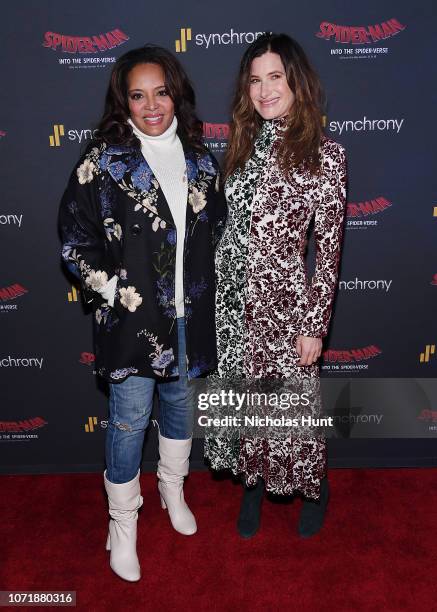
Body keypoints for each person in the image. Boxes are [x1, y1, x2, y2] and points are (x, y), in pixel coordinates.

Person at [59, 45, 226, 581]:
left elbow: (218, 235)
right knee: (129, 424)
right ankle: (122, 523)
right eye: (137, 95)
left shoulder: (202, 159)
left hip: (190, 317)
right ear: (122, 101)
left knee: (180, 410)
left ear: (176, 92)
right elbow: (74, 241)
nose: (151, 105)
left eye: (160, 91)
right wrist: (116, 293)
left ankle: (172, 492)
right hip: (133, 323)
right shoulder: (103, 162)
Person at [204, 33, 346, 538]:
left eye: (275, 78)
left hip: (285, 305)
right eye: (255, 80)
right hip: (233, 302)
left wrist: (315, 326)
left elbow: (327, 250)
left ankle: (315, 486)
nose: (264, 91)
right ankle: (253, 485)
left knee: (291, 409)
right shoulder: (240, 145)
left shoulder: (324, 154)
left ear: (296, 81)